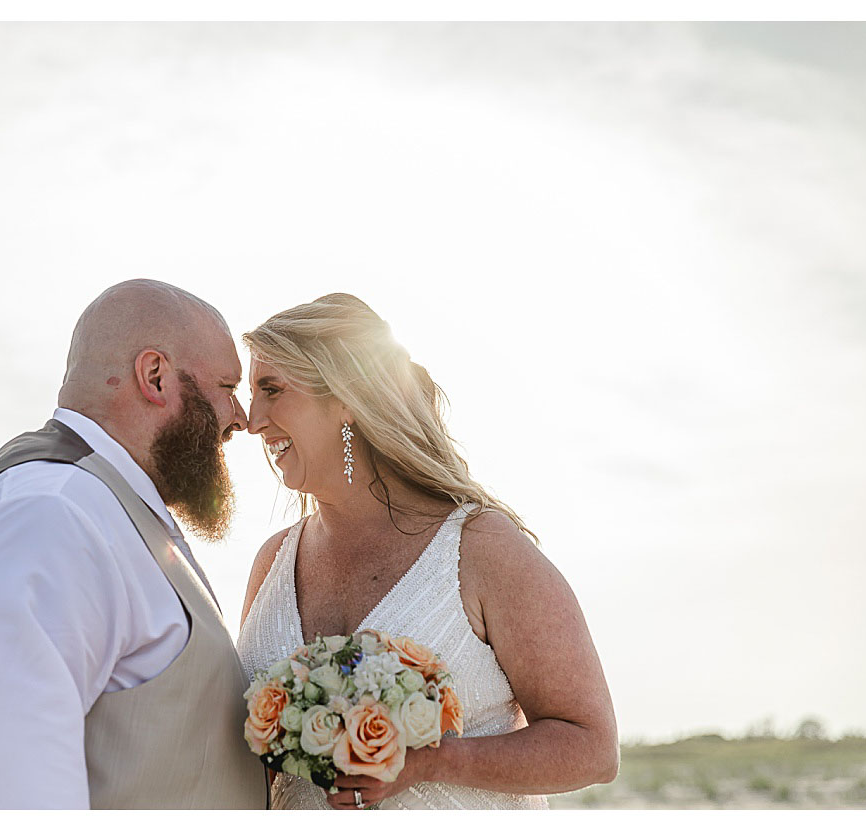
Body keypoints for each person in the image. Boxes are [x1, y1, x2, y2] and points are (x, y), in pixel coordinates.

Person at [0, 279, 267, 809]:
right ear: (155, 376)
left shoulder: (99, 507)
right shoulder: (50, 513)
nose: (242, 418)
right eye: (228, 387)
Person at [236, 293, 618, 809]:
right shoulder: (273, 562)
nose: (251, 419)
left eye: (272, 389)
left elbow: (591, 746)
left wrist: (428, 761)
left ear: (346, 396)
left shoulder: (481, 550)